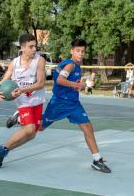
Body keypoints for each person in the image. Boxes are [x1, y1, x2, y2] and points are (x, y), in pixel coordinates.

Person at [41, 39, 111, 173]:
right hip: (60, 103)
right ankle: (21, 118)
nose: (80, 54)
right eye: (78, 51)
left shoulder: (77, 66)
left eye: (83, 51)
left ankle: (97, 160)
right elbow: (60, 80)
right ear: (72, 51)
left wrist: (83, 83)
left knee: (88, 128)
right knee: (39, 128)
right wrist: (77, 85)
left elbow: (70, 81)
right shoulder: (71, 65)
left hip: (73, 104)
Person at [0, 34, 46, 168]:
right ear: (22, 47)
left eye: (35, 46)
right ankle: (2, 148)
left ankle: (3, 151)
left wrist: (22, 89)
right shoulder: (14, 63)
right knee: (29, 128)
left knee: (32, 134)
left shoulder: (39, 61)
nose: (34, 49)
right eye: (31, 47)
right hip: (23, 102)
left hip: (37, 100)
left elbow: (40, 83)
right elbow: (4, 80)